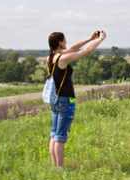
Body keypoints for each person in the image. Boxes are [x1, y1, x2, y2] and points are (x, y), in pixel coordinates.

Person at [45, 29, 105, 168]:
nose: (66, 42)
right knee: (60, 137)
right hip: (65, 100)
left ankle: (55, 167)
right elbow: (85, 52)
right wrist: (100, 40)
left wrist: (90, 38)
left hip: (55, 100)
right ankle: (60, 169)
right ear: (60, 42)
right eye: (64, 40)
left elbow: (73, 48)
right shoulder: (63, 59)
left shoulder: (50, 58)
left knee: (54, 135)